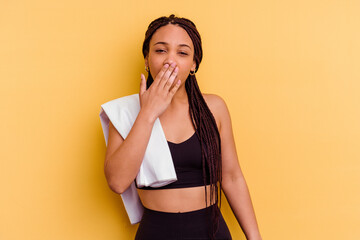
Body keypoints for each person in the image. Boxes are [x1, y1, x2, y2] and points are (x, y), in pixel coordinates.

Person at [103, 14, 262, 240]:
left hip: (212, 232)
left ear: (194, 64)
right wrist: (148, 113)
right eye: (160, 50)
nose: (171, 60)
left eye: (183, 52)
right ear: (146, 59)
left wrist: (255, 237)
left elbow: (232, 176)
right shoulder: (125, 112)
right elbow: (117, 182)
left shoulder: (214, 108)